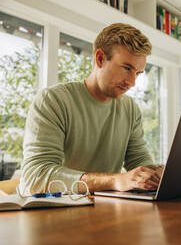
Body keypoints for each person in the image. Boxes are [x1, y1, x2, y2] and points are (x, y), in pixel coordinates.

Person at [19, 23, 163, 195]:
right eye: (127, 68)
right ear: (100, 58)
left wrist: (158, 174)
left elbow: (139, 161)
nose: (132, 82)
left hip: (104, 209)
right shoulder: (53, 100)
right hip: (53, 211)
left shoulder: (130, 108)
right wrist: (116, 180)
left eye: (138, 73)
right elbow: (36, 177)